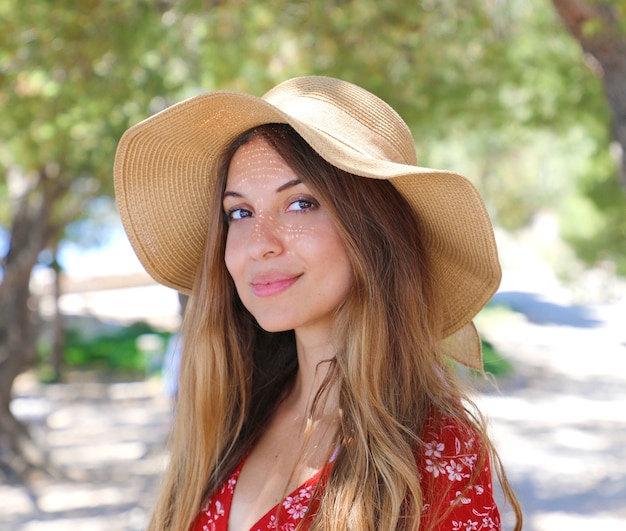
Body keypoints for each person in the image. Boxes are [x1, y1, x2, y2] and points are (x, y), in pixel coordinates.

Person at [114, 76, 522, 531]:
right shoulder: (229, 415)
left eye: (301, 204)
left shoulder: (436, 451)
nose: (259, 245)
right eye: (240, 213)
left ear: (371, 231)